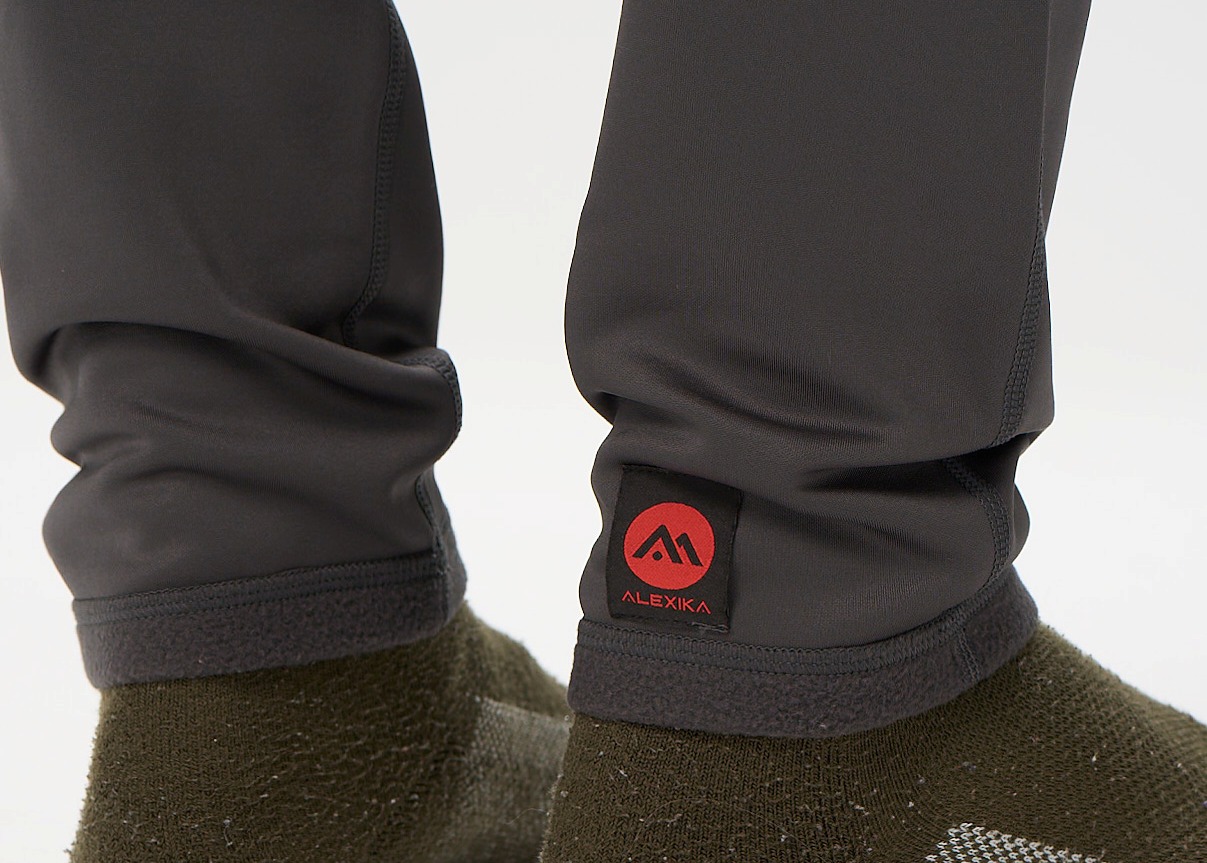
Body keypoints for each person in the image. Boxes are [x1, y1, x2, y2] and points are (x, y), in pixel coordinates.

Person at [0, 1, 1202, 861]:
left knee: (239, 542)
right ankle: (802, 699)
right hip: (838, 741)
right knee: (787, 654)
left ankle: (261, 689)